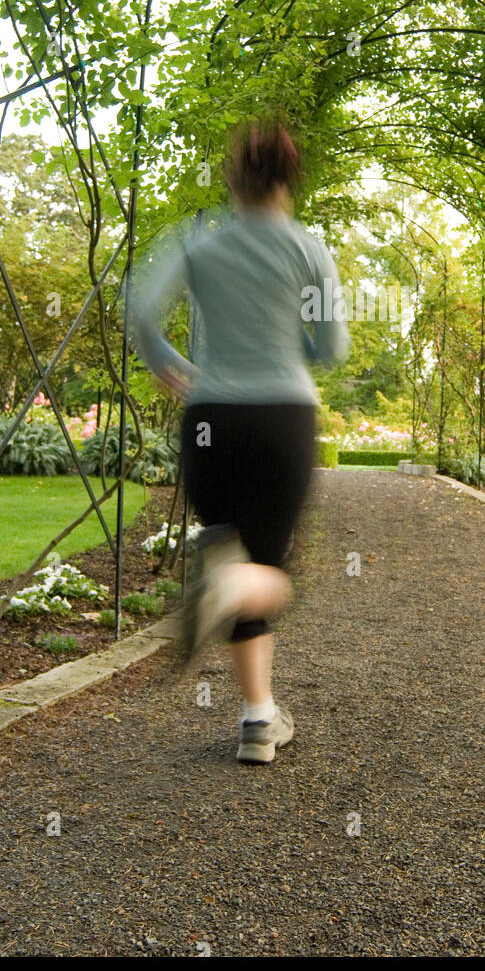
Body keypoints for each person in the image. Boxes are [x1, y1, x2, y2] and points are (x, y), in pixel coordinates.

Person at [131, 116, 350, 763]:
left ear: (233, 181)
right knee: (267, 573)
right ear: (289, 182)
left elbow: (141, 310)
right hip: (282, 421)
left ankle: (258, 718)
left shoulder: (200, 246)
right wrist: (295, 336)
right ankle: (221, 594)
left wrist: (166, 362)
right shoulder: (309, 250)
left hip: (210, 423)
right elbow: (331, 348)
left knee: (235, 558)